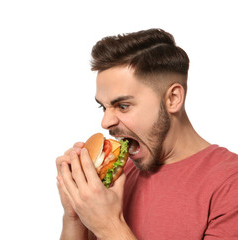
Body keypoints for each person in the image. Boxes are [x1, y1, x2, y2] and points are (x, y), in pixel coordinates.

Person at [56, 28, 238, 240]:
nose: (105, 122)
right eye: (103, 108)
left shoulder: (229, 183)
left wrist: (109, 226)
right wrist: (75, 215)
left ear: (173, 98)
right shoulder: (116, 178)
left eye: (122, 106)